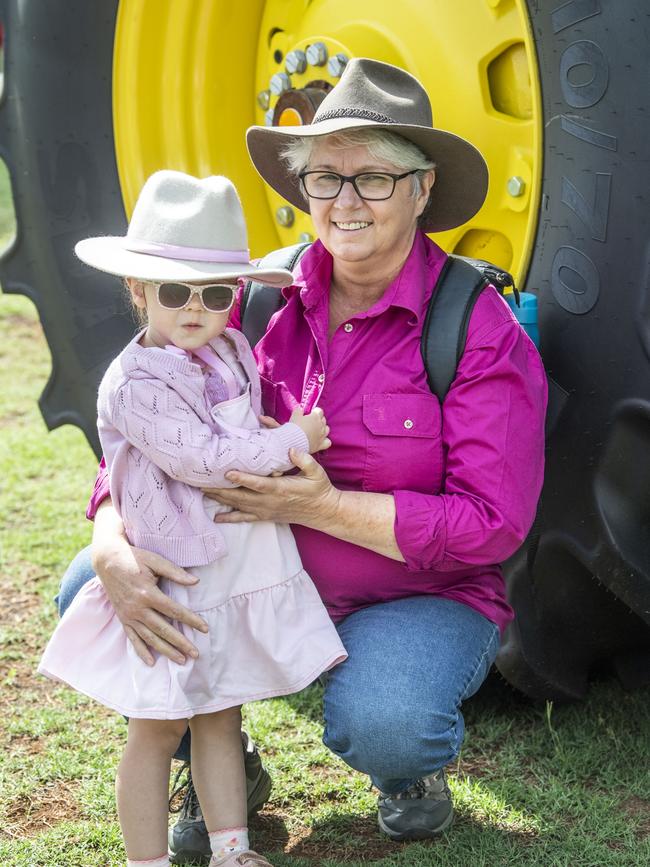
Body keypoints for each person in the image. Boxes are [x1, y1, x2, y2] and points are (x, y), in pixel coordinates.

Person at [59, 57, 547, 861]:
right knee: (96, 587)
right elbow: (149, 438)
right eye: (326, 177)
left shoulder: (475, 325)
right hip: (247, 573)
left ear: (423, 189)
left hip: (408, 596)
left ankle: (406, 770)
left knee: (389, 720)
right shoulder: (242, 293)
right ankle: (220, 766)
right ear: (303, 187)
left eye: (375, 178)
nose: (345, 201)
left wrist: (315, 506)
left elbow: (493, 525)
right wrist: (111, 536)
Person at [39, 171, 347, 867]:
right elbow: (204, 459)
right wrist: (294, 439)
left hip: (229, 565)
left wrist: (271, 427)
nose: (195, 309)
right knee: (156, 723)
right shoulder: (135, 381)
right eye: (175, 292)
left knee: (220, 710)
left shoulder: (231, 349)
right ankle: (145, 859)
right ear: (138, 290)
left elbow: (247, 416)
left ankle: (232, 848)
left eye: (215, 294)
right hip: (173, 573)